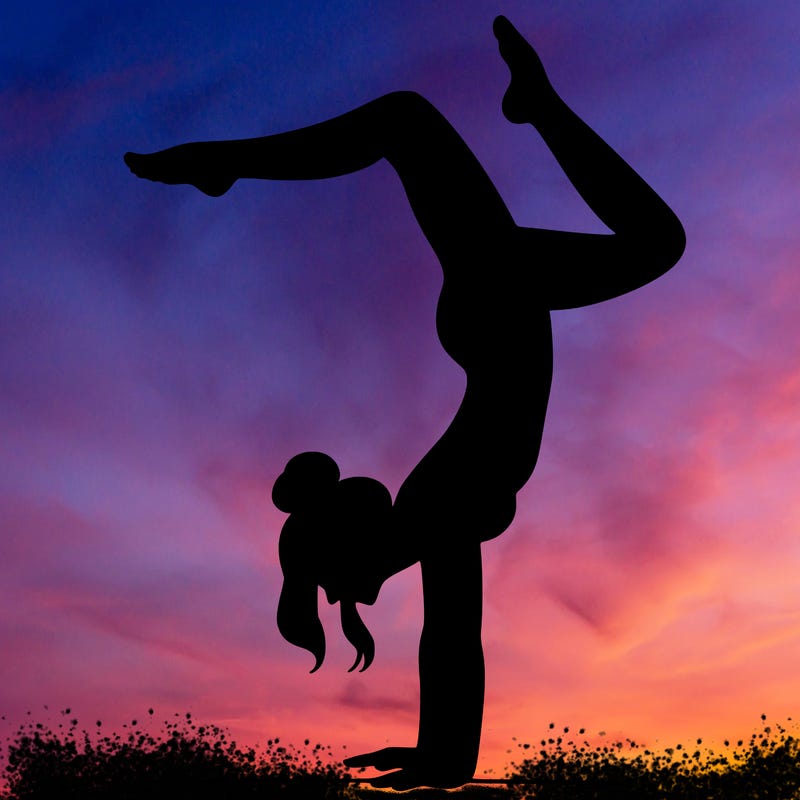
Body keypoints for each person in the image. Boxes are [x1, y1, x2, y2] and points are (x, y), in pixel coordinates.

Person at [125, 15, 685, 789]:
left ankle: (228, 162)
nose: (353, 593)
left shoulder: (435, 497)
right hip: (500, 290)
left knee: (410, 123)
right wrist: (442, 756)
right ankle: (535, 107)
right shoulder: (433, 501)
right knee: (414, 126)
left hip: (498, 291)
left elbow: (451, 632)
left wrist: (444, 757)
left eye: (341, 579)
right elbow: (451, 632)